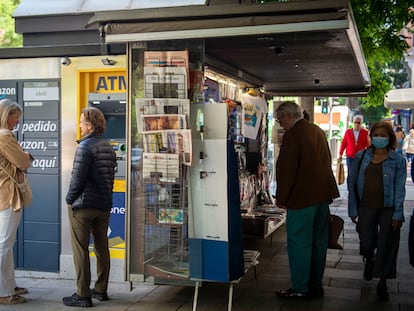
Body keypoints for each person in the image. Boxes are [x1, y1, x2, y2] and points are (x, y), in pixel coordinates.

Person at [275, 101, 339, 300]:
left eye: (280, 120)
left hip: (302, 198)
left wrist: (282, 198)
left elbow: (287, 171)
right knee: (318, 243)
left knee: (300, 243)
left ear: (287, 116)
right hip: (322, 196)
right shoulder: (317, 131)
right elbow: (327, 160)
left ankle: (301, 287)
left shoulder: (293, 135)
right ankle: (315, 284)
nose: (280, 124)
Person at [63, 107, 117, 308]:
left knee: (80, 249)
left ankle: (83, 295)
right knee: (102, 248)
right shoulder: (108, 147)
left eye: (81, 121)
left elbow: (77, 178)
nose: (79, 124)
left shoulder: (84, 148)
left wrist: (69, 199)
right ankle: (101, 290)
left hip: (84, 206)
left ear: (90, 125)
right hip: (103, 205)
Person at [348, 121, 406, 300]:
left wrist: (398, 212)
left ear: (390, 138)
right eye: (376, 135)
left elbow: (399, 188)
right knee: (366, 242)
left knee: (387, 245)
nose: (379, 138)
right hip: (366, 206)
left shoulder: (398, 160)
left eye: (383, 135)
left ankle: (383, 282)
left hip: (388, 208)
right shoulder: (361, 156)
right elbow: (352, 183)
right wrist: (353, 208)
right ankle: (369, 260)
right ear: (371, 137)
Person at [0, 99, 33, 305]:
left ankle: (9, 285)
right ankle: (3, 292)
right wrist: (27, 156)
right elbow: (22, 161)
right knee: (3, 244)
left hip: (3, 193)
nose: (17, 121)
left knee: (7, 244)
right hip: (8, 195)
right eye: (16, 116)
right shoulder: (4, 137)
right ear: (6, 115)